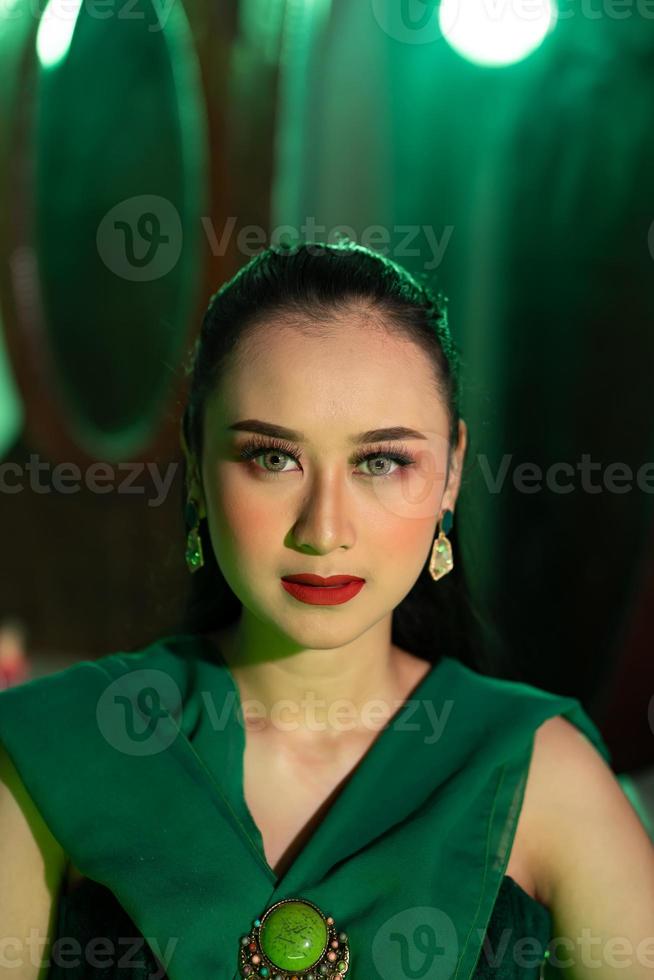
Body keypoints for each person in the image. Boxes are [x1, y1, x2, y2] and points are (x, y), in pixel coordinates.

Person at [1, 240, 653, 980]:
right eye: (273, 458)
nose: (324, 529)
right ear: (195, 463)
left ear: (451, 474)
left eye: (381, 462)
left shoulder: (539, 770)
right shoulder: (56, 750)